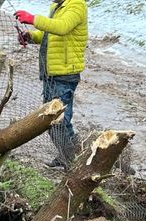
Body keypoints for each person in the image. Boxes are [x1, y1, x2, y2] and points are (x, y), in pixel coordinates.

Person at [14, 0, 88, 169]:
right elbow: (48, 33)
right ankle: (69, 156)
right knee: (55, 119)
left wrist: (33, 19)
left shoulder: (77, 5)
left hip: (65, 73)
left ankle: (72, 161)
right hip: (51, 72)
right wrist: (31, 36)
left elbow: (62, 27)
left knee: (58, 119)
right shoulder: (56, 7)